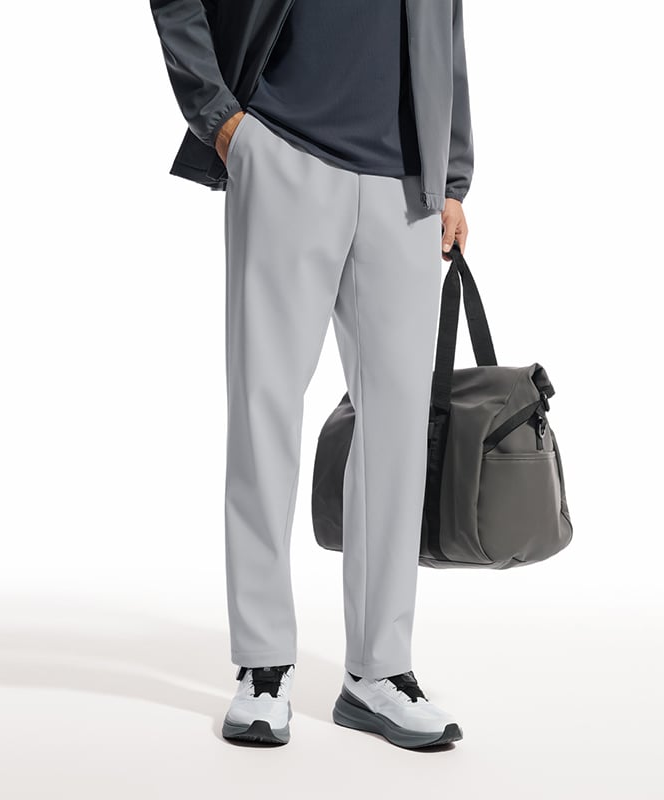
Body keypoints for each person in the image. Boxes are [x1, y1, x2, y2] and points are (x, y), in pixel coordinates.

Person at [149, 0, 473, 750]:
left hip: (408, 183)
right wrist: (223, 122)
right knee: (265, 409)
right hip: (284, 149)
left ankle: (379, 671)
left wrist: (453, 173)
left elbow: (446, 23)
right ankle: (263, 665)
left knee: (398, 433)